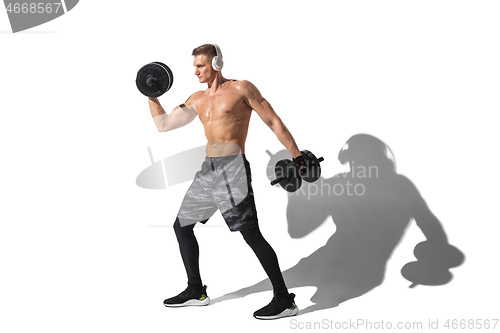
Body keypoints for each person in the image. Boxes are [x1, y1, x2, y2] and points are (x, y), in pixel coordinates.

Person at [148, 44, 302, 320]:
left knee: (250, 234)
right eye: (194, 66)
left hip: (233, 170)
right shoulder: (197, 98)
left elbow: (273, 121)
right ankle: (196, 291)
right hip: (209, 170)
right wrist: (151, 93)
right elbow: (164, 124)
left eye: (200, 66)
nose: (195, 71)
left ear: (216, 63)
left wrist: (297, 155)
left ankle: (284, 299)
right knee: (182, 226)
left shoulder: (241, 89)